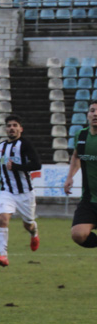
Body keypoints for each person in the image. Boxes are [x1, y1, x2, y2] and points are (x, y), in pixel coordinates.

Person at [0, 115, 41, 267]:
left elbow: (37, 165)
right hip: (7, 192)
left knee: (28, 225)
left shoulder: (25, 145)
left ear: (20, 129)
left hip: (25, 193)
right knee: (2, 219)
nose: (11, 128)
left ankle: (34, 233)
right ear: (6, 129)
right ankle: (3, 256)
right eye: (9, 125)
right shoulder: (1, 146)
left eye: (15, 125)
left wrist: (17, 167)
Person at [64, 100, 97, 248]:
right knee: (78, 234)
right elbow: (77, 156)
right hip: (89, 199)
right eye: (92, 110)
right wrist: (70, 177)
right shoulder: (81, 135)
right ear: (87, 115)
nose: (95, 114)